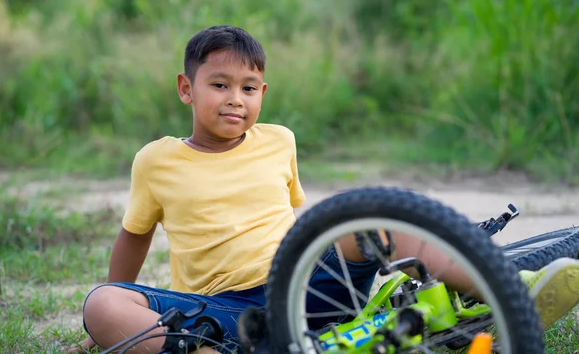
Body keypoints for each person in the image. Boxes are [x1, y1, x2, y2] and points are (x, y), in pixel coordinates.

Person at [68, 25, 579, 354]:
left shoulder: (278, 141)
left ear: (262, 93)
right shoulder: (157, 160)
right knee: (102, 305)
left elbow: (304, 222)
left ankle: (503, 292)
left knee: (377, 226)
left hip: (305, 283)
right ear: (186, 88)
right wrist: (119, 306)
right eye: (218, 85)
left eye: (248, 88)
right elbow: (134, 236)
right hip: (226, 314)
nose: (235, 100)